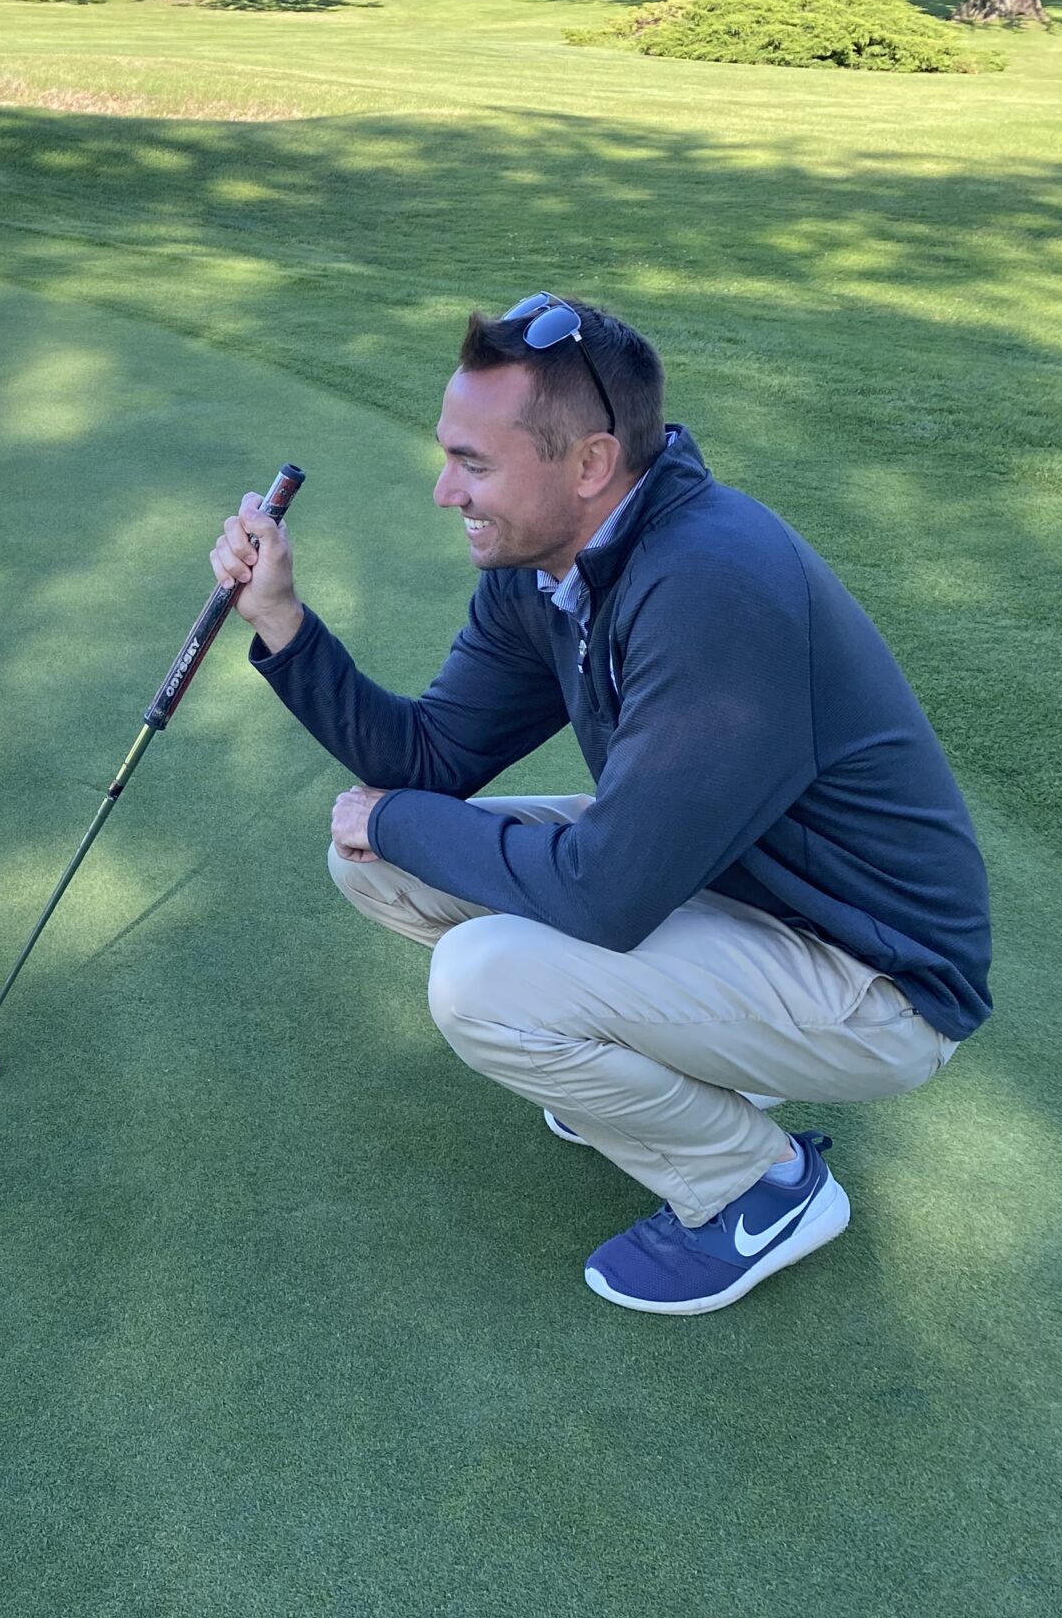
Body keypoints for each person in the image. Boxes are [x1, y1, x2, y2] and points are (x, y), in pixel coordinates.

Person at [209, 293, 990, 1314]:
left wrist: (394, 816)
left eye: (474, 465)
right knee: (376, 859)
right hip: (730, 888)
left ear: (587, 465)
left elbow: (607, 895)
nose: (447, 492)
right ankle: (652, 1074)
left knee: (483, 978)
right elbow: (429, 756)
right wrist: (281, 622)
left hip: (874, 976)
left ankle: (759, 1188)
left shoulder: (712, 588)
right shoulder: (547, 568)